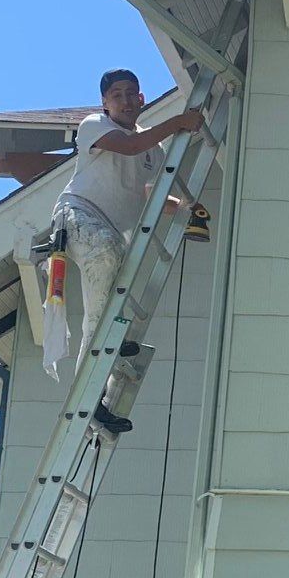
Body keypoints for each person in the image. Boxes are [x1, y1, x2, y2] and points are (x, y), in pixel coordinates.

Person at [44, 72, 205, 423]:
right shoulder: (94, 125)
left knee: (109, 304)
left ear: (143, 99)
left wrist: (183, 208)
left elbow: (148, 192)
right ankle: (87, 401)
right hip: (79, 215)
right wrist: (179, 121)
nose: (126, 100)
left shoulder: (153, 149)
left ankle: (100, 378)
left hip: (112, 231)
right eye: (117, 94)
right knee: (104, 267)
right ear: (105, 102)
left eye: (132, 94)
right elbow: (129, 145)